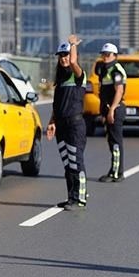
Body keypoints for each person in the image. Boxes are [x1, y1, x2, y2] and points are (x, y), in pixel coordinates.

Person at [46, 35, 88, 211]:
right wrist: (52, 123)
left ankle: (80, 198)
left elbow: (73, 62)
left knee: (75, 161)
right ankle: (71, 197)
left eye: (66, 54)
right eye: (61, 55)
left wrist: (73, 45)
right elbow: (57, 105)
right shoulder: (61, 80)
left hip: (75, 125)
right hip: (62, 125)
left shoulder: (78, 76)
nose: (64, 58)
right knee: (67, 163)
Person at [96, 43, 127, 182]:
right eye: (103, 54)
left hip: (115, 109)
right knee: (111, 141)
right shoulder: (104, 69)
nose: (105, 57)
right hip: (108, 108)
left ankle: (116, 173)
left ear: (115, 55)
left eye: (107, 54)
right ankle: (114, 170)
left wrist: (112, 110)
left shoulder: (116, 70)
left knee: (115, 142)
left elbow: (119, 91)